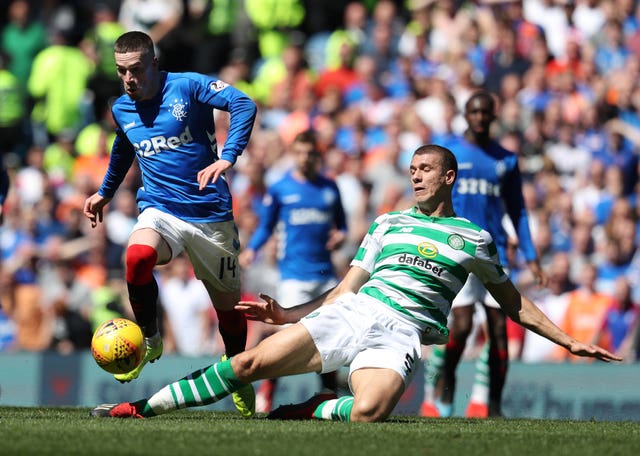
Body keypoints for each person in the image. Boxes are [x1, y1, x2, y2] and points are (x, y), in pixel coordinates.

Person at [89, 144, 620, 422]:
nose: (416, 176)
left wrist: (567, 340)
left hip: (403, 333)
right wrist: (289, 316)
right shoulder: (387, 223)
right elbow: (346, 287)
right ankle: (138, 407)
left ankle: (308, 410)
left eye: (427, 169)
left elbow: (513, 302)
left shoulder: (472, 238)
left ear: (449, 177)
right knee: (248, 364)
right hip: (356, 313)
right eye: (412, 168)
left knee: (368, 412)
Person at [82, 31, 258, 417]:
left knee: (228, 311)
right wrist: (106, 192)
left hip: (211, 215)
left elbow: (243, 103)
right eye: (121, 71)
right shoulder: (122, 109)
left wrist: (228, 157)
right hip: (160, 209)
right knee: (138, 258)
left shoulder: (189, 86)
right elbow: (124, 145)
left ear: (154, 64)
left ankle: (239, 374)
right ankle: (150, 337)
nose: (129, 79)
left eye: (136, 70)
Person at [420, 90, 546, 419]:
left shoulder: (505, 159)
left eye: (484, 112)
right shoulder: (450, 153)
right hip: (457, 250)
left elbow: (518, 209)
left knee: (500, 330)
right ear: (465, 114)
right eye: (473, 112)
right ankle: (444, 387)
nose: (479, 117)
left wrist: (531, 255)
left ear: (493, 116)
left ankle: (493, 407)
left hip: (495, 252)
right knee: (459, 328)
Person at [238, 130, 348, 412]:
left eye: (311, 154)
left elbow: (343, 225)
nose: (305, 158)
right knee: (288, 338)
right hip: (293, 275)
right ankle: (268, 389)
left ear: (318, 156)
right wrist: (252, 249)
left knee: (329, 334)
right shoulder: (281, 189)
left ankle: (328, 392)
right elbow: (266, 225)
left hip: (324, 274)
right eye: (300, 153)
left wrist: (341, 236)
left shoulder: (329, 188)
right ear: (293, 153)